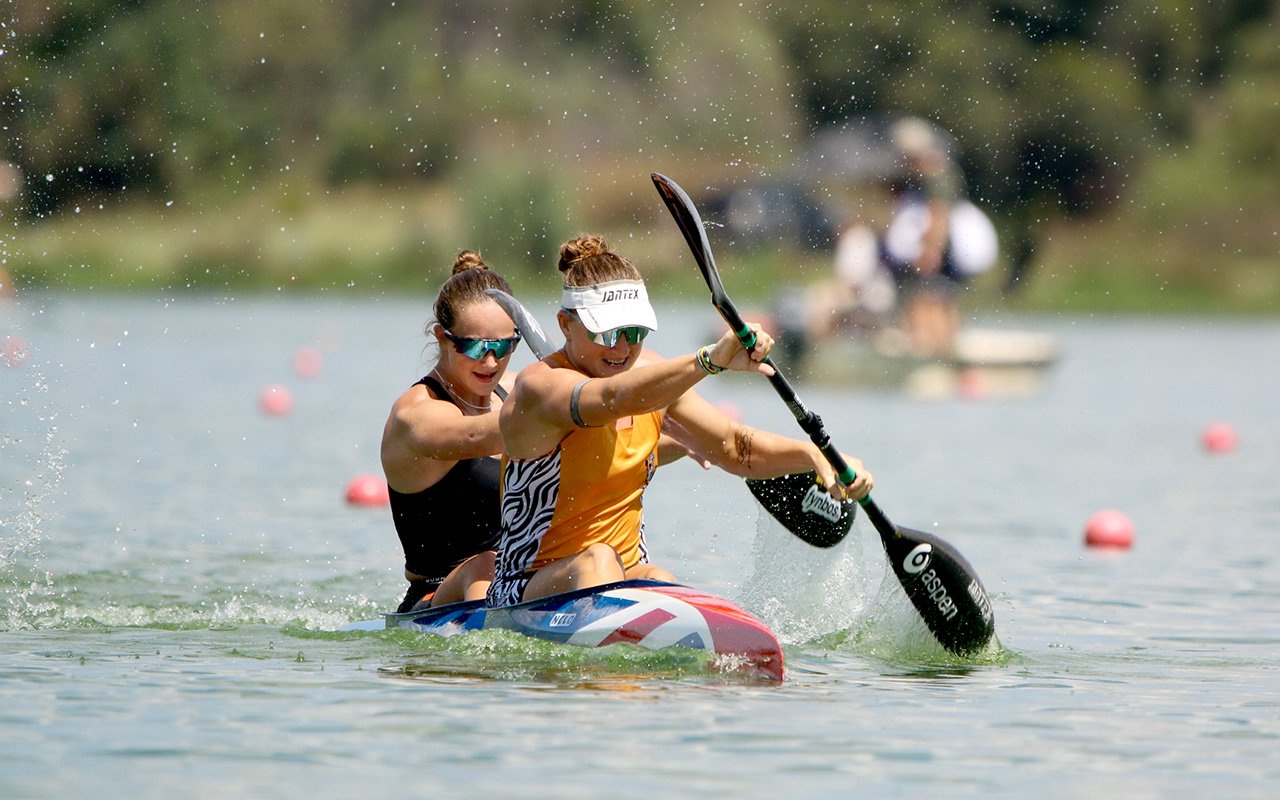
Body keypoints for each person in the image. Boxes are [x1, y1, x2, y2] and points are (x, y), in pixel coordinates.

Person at [486, 234, 874, 608]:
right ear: (565, 324)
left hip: (624, 574)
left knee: (662, 581)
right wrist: (709, 360)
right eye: (605, 333)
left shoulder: (654, 379)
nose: (622, 348)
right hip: (525, 589)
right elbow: (612, 398)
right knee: (598, 561)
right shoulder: (540, 388)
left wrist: (816, 456)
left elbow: (733, 448)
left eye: (634, 332)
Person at [380, 250, 521, 613]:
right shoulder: (416, 414)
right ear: (443, 337)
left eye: (505, 346)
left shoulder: (517, 395)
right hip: (435, 602)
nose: (491, 362)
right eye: (475, 346)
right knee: (485, 564)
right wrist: (570, 413)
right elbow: (475, 436)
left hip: (518, 584)